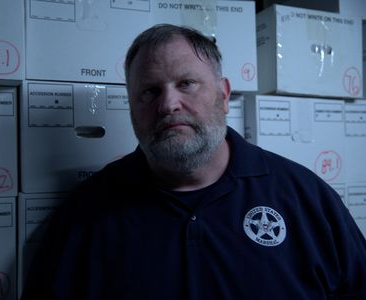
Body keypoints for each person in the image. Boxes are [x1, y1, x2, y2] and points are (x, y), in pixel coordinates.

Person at [22, 24, 366, 299]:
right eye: (149, 91)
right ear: (131, 108)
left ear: (224, 93)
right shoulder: (86, 215)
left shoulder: (306, 200)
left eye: (186, 84)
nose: (169, 104)